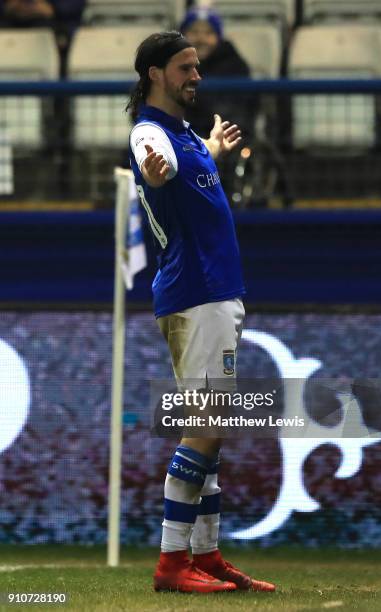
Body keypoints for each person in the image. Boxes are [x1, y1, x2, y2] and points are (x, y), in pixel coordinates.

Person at [127, 31, 275, 594]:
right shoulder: (150, 131)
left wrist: (210, 149)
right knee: (206, 427)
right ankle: (172, 563)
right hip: (197, 293)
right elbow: (150, 162)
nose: (197, 76)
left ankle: (206, 555)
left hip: (214, 294)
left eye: (197, 66)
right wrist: (154, 168)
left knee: (213, 431)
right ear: (155, 74)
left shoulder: (186, 133)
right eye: (186, 67)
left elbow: (182, 171)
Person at [179, 8, 251, 139]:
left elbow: (235, 115)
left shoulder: (235, 66)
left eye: (209, 33)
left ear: (218, 37)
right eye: (194, 32)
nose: (201, 39)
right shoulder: (168, 63)